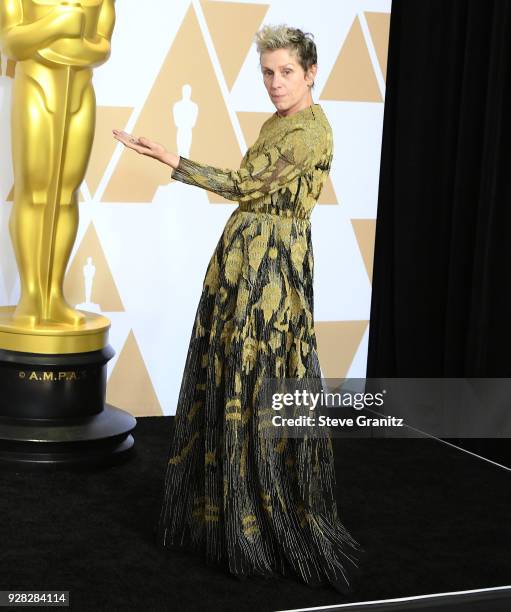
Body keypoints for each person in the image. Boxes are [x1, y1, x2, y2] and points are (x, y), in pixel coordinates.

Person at [113, 24, 364, 594]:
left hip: (270, 272)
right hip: (243, 261)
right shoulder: (279, 122)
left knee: (259, 381)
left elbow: (243, 184)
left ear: (311, 73)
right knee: (230, 378)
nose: (275, 84)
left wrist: (171, 158)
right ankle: (223, 515)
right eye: (268, 73)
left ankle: (261, 520)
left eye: (286, 73)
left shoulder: (308, 132)